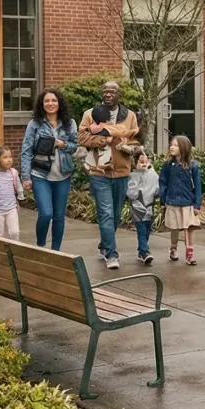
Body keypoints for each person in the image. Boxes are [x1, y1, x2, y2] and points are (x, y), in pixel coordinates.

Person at [78, 81, 140, 269]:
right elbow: (82, 137)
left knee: (116, 215)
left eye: (112, 91)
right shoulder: (90, 114)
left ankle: (105, 244)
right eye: (105, 91)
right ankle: (112, 254)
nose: (108, 94)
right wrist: (105, 139)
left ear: (119, 94)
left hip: (122, 171)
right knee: (106, 213)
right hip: (99, 172)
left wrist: (129, 147)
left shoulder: (129, 116)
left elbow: (135, 140)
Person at [20, 89, 78, 250]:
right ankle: (40, 245)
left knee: (59, 216)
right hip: (40, 174)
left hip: (63, 175)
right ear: (42, 104)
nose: (50, 104)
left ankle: (56, 251)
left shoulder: (70, 123)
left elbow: (75, 146)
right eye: (47, 101)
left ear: (59, 103)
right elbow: (26, 151)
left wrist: (63, 144)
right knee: (45, 213)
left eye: (53, 100)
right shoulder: (35, 124)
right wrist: (25, 177)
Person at [159, 135, 203, 265]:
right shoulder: (168, 165)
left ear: (184, 148)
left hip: (187, 202)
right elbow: (163, 182)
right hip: (172, 202)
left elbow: (197, 185)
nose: (172, 147)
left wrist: (197, 204)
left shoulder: (192, 166)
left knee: (189, 228)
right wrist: (163, 200)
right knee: (174, 227)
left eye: (175, 145)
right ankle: (173, 248)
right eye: (171, 145)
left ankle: (190, 254)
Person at [126, 148, 159, 266]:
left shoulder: (153, 174)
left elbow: (157, 187)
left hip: (149, 206)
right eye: (141, 162)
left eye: (145, 161)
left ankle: (141, 251)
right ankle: (145, 252)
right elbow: (131, 193)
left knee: (147, 230)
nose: (144, 164)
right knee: (142, 230)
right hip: (138, 207)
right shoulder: (133, 175)